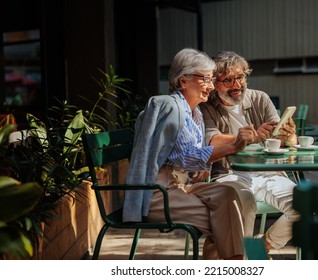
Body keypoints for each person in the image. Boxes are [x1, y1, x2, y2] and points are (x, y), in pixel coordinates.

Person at [122, 48, 257, 260]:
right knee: (226, 220)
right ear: (183, 81)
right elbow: (186, 156)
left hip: (181, 185)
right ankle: (241, 264)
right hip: (158, 193)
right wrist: (233, 146)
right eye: (205, 79)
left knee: (229, 195)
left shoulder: (195, 113)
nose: (212, 86)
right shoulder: (171, 107)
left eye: (212, 79)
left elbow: (189, 159)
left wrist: (203, 167)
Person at [200, 50, 299, 253]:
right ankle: (242, 263)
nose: (236, 85)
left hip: (269, 172)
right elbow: (213, 141)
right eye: (227, 80)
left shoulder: (260, 99)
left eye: (240, 77)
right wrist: (252, 136)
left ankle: (260, 248)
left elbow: (284, 140)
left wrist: (289, 136)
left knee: (304, 205)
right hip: (230, 174)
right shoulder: (207, 107)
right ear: (215, 83)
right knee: (243, 203)